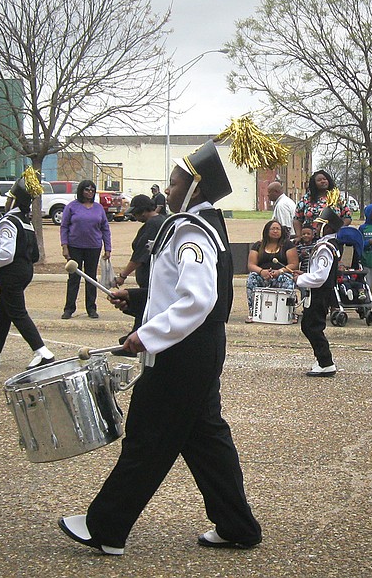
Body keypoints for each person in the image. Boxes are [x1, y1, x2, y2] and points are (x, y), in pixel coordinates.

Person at [57, 140, 262, 555]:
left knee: (147, 437)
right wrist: (136, 299)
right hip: (196, 350)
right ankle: (238, 526)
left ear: (195, 189)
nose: (166, 191)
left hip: (183, 353)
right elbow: (179, 291)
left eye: (173, 184)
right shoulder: (199, 224)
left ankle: (106, 528)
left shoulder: (191, 231)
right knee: (205, 440)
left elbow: (198, 300)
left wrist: (145, 336)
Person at [0, 168, 55, 371]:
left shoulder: (8, 221)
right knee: (3, 311)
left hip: (12, 272)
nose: (6, 201)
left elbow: (6, 254)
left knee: (17, 312)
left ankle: (41, 351)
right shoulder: (25, 220)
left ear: (14, 200)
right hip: (25, 270)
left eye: (9, 198)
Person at [293, 206, 344, 377]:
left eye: (319, 224)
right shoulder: (329, 244)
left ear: (328, 227)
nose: (315, 227)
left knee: (312, 327)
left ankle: (326, 362)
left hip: (320, 291)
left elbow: (321, 276)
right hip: (321, 290)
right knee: (310, 325)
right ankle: (322, 358)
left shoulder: (324, 247)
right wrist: (305, 274)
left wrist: (300, 280)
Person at [113, 193, 165, 353]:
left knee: (146, 311)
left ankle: (134, 345)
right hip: (157, 277)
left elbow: (140, 256)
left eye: (135, 213)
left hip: (151, 277)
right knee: (144, 313)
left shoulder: (152, 225)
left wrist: (123, 275)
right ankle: (133, 338)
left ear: (143, 211)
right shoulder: (162, 221)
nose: (134, 216)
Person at [60, 180, 112, 319]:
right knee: (73, 278)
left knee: (91, 278)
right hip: (74, 246)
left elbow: (105, 228)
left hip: (93, 247)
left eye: (92, 190)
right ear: (81, 191)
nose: (90, 192)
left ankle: (91, 308)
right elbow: (64, 226)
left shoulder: (98, 208)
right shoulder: (72, 207)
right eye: (87, 190)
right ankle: (69, 308)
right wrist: (65, 246)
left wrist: (108, 248)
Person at [245, 219, 298, 323]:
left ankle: (290, 312)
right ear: (267, 231)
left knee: (287, 279)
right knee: (252, 277)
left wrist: (280, 271)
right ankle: (253, 312)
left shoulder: (288, 245)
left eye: (278, 229)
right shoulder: (258, 245)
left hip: (281, 275)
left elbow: (294, 264)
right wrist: (261, 272)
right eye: (272, 229)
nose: (275, 231)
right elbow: (251, 265)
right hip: (263, 275)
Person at [293, 169, 353, 239]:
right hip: (310, 240)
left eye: (325, 179)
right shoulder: (306, 199)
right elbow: (297, 219)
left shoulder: (337, 198)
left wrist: (338, 229)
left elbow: (347, 217)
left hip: (332, 239)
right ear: (314, 183)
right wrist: (299, 235)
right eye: (319, 180)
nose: (323, 181)